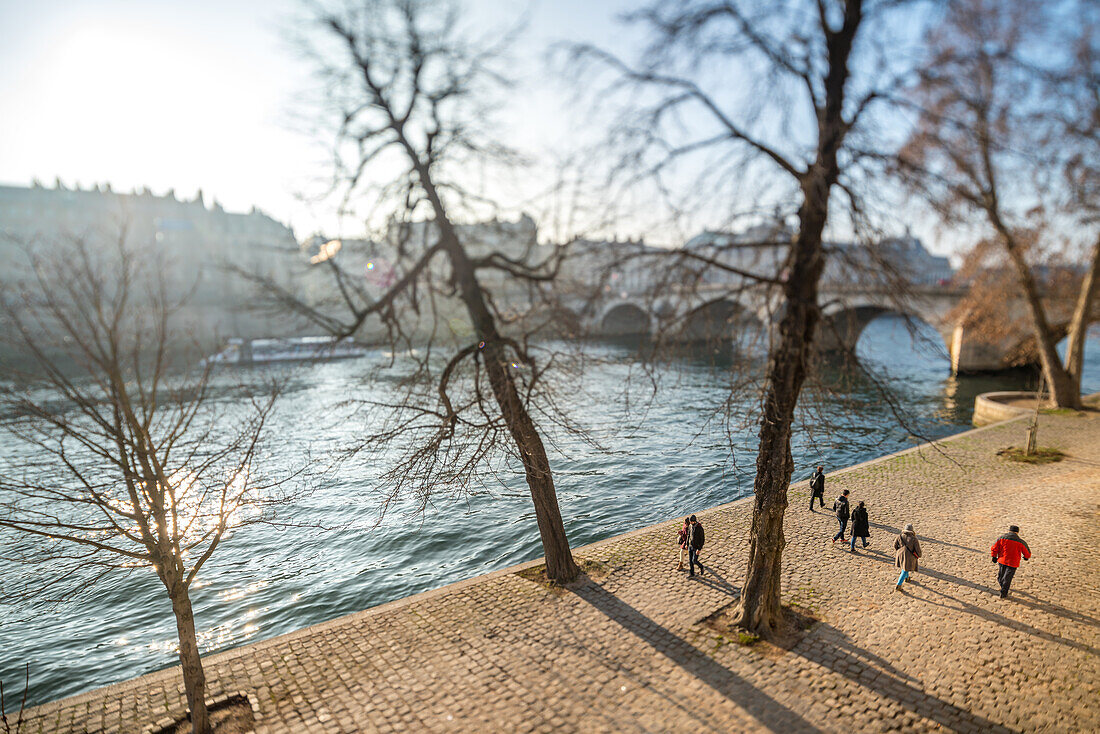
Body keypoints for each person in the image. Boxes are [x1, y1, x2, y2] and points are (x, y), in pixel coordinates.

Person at [990, 525, 1031, 599]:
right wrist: (1026, 557)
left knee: (1001, 576)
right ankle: (1004, 592)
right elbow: (1027, 551)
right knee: (1008, 578)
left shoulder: (1001, 538)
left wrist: (994, 556)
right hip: (1013, 563)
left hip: (1002, 560)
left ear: (1009, 530)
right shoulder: (1021, 541)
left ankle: (1003, 586)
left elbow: (994, 547)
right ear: (1017, 532)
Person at [894, 523, 921, 590]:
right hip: (909, 556)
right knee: (905, 570)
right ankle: (899, 584)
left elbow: (895, 545)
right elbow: (917, 549)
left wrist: (899, 551)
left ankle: (907, 578)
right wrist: (919, 555)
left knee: (905, 567)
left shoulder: (899, 536)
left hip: (900, 554)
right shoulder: (914, 539)